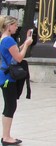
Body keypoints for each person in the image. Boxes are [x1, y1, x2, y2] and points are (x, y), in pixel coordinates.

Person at [0, 16, 33, 146]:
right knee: (10, 105)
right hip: (8, 77)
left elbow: (13, 52)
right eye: (14, 25)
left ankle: (6, 135)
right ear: (9, 26)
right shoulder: (8, 40)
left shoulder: (3, 39)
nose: (16, 27)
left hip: (4, 75)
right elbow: (19, 58)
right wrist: (27, 45)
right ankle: (6, 136)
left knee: (8, 105)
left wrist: (25, 42)